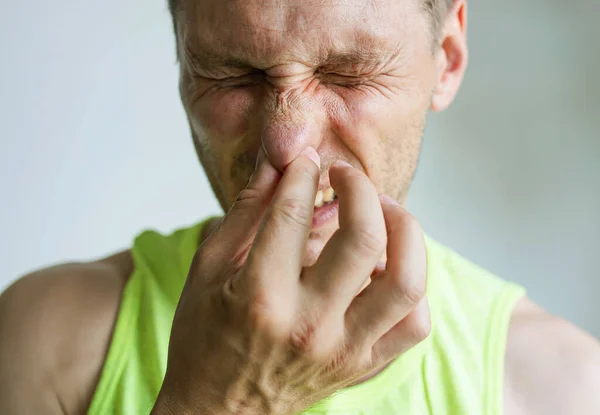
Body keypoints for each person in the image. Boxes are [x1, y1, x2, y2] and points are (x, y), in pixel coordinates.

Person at [1, 0, 599, 413]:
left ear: (448, 58)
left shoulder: (562, 390)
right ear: (183, 65)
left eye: (348, 74)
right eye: (234, 75)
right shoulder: (42, 342)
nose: (287, 143)